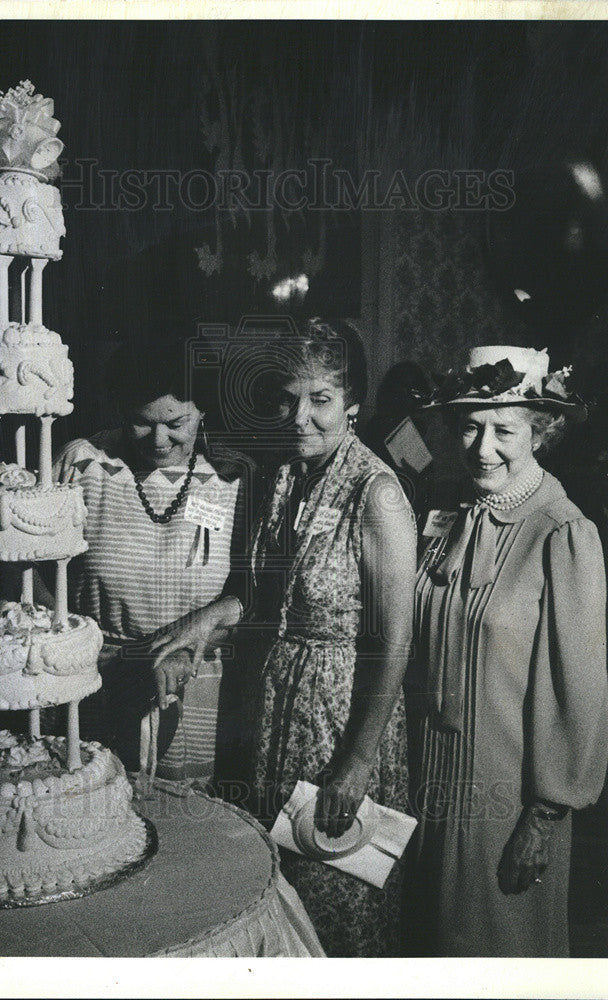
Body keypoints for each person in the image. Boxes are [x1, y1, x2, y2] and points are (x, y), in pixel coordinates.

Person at [151, 318, 418, 956]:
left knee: (339, 912)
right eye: (288, 398)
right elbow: (268, 598)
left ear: (352, 404)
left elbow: (394, 643)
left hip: (344, 723)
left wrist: (356, 762)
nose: (300, 416)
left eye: (320, 400)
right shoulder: (283, 478)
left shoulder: (376, 494)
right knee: (283, 910)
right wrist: (201, 623)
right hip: (279, 717)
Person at [405, 344, 608, 957]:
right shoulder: (454, 515)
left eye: (504, 431)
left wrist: (545, 816)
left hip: (508, 800)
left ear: (541, 433)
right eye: (470, 427)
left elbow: (580, 690)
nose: (482, 447)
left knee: (497, 953)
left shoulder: (563, 531)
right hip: (429, 781)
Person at [52, 334, 253, 783]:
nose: (158, 439)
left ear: (202, 410)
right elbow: (38, 576)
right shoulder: (84, 465)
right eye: (141, 422)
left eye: (175, 422)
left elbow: (250, 595)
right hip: (92, 682)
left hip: (193, 677)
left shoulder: (231, 479)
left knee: (180, 825)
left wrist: (188, 649)